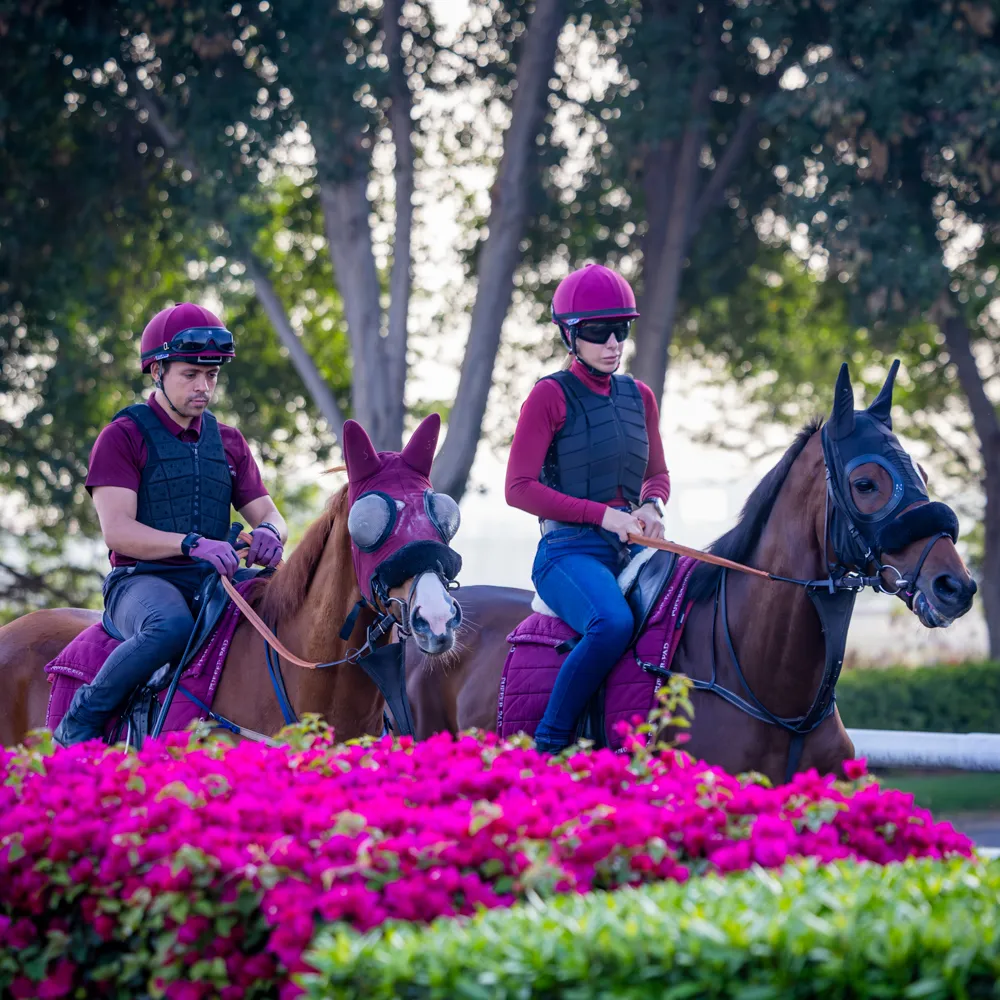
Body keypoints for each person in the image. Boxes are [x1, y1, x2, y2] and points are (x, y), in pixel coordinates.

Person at [53, 303, 288, 747]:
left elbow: (270, 514)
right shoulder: (122, 436)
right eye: (191, 375)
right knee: (170, 627)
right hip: (140, 581)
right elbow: (117, 531)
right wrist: (191, 544)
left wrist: (270, 535)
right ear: (157, 370)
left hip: (217, 579)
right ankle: (81, 721)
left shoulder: (231, 442)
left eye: (212, 376)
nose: (204, 387)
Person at [505, 263, 671, 753]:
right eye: (599, 332)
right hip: (567, 552)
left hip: (632, 548)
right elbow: (518, 488)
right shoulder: (548, 396)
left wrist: (652, 507)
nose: (613, 343)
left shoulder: (640, 396)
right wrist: (604, 515)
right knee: (612, 623)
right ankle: (550, 742)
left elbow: (656, 473)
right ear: (569, 336)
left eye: (621, 329)